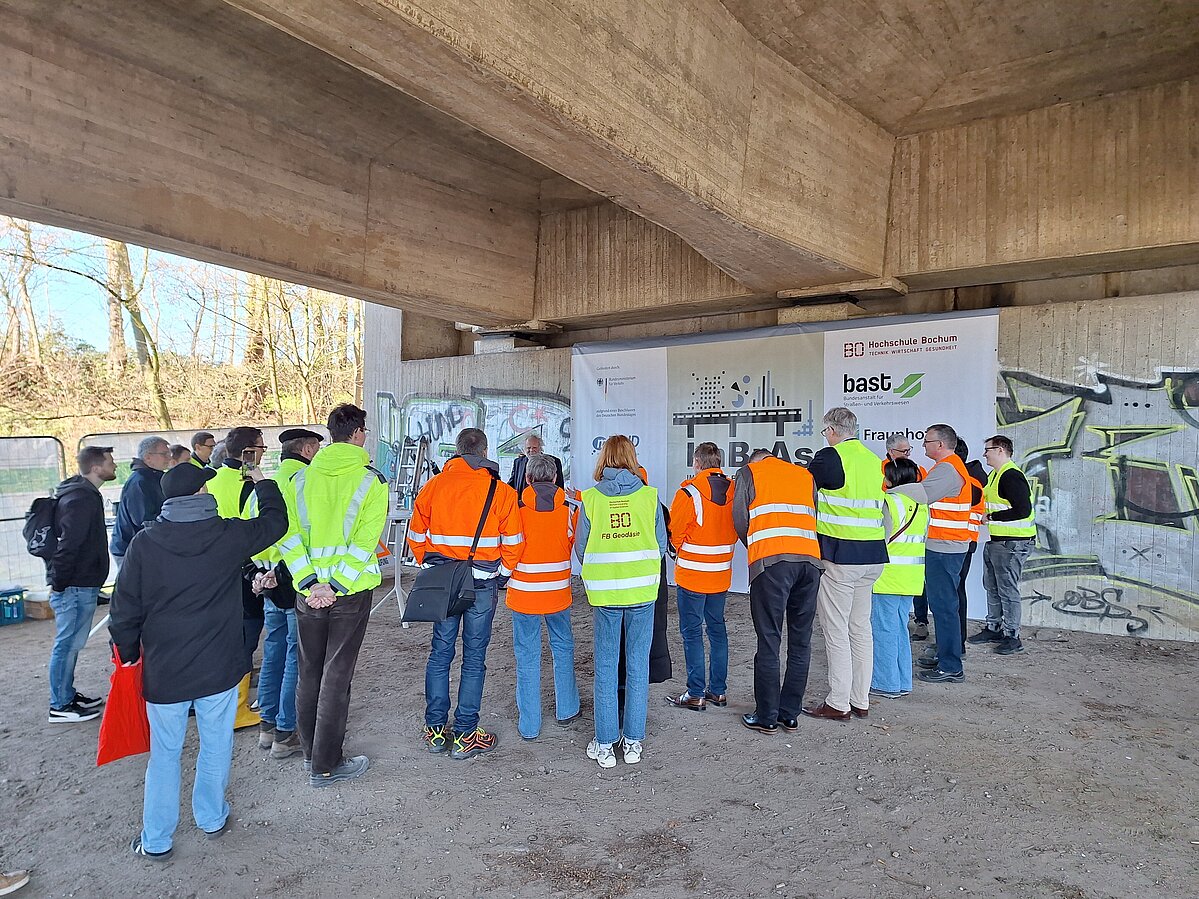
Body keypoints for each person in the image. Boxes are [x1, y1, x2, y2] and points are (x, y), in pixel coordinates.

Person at [109, 460, 287, 859]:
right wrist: (262, 483)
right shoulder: (226, 534)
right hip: (219, 667)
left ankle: (156, 839)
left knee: (165, 755)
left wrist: (131, 655)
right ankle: (211, 818)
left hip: (164, 670)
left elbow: (123, 613)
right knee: (216, 744)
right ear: (199, 495)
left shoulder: (144, 543)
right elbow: (276, 522)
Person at [282, 405, 388, 785]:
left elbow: (288, 536)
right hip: (348, 593)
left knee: (309, 671)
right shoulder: (371, 481)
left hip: (308, 593)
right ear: (358, 433)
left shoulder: (298, 481)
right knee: (336, 676)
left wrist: (311, 582)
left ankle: (311, 749)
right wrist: (337, 585)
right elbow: (365, 543)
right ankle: (326, 765)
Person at [409, 427, 522, 760]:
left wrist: (431, 565)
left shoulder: (434, 486)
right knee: (474, 658)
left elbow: (415, 535)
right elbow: (514, 543)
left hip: (443, 581)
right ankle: (465, 734)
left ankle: (435, 731)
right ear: (484, 452)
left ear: (457, 452)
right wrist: (500, 574)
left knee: (440, 652)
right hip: (482, 585)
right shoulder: (500, 492)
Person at [576, 435, 666, 767]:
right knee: (637, 666)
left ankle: (604, 743)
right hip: (642, 592)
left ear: (604, 459)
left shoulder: (590, 499)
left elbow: (582, 549)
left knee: (606, 666)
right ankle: (633, 743)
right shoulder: (649, 496)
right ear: (631, 457)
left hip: (606, 594)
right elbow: (659, 545)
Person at [732, 447, 822, 735]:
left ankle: (767, 716)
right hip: (809, 561)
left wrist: (758, 549)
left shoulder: (749, 473)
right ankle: (790, 714)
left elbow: (739, 519)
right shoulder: (805, 475)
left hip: (771, 562)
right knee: (801, 641)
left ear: (754, 461)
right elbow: (814, 515)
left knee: (769, 639)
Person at [805, 407, 887, 722]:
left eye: (825, 430)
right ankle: (860, 699)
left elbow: (805, 486)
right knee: (860, 628)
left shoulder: (830, 457)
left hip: (840, 556)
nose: (824, 436)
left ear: (832, 430)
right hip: (872, 556)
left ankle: (838, 703)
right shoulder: (872, 460)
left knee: (836, 630)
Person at [888, 423, 982, 685]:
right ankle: (946, 655)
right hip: (946, 547)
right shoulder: (948, 467)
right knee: (944, 606)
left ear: (940, 445)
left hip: (945, 548)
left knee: (944, 607)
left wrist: (891, 491)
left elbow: (922, 495)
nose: (923, 446)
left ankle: (951, 665)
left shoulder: (948, 468)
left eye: (927, 442)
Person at [254, 428, 323, 760]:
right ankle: (287, 730)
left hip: (267, 580)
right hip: (296, 578)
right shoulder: (307, 482)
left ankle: (267, 724)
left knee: (274, 650)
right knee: (299, 655)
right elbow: (308, 534)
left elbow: (251, 531)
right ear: (308, 449)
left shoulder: (262, 486)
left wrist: (261, 572)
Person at [505, 453, 580, 740]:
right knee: (563, 649)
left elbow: (509, 549)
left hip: (524, 595)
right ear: (555, 478)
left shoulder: (515, 510)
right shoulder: (569, 510)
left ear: (527, 479)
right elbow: (575, 545)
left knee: (527, 656)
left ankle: (529, 724)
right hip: (558, 594)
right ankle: (567, 710)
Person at [45, 445, 117, 723]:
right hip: (75, 585)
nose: (114, 465)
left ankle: (66, 694)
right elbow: (69, 544)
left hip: (81, 583)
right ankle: (60, 704)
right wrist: (60, 583)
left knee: (71, 644)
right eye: (110, 461)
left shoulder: (82, 494)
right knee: (67, 644)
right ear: (96, 467)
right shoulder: (81, 498)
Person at [665, 442, 735, 712]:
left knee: (692, 633)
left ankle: (695, 693)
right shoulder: (734, 490)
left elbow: (676, 531)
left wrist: (679, 548)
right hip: (720, 574)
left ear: (697, 463)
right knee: (717, 630)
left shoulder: (689, 492)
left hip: (693, 574)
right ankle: (718, 691)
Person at [208, 426, 270, 729]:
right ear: (250, 451)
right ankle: (238, 709)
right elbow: (258, 529)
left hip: (214, 570)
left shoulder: (212, 479)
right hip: (244, 569)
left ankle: (220, 704)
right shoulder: (249, 485)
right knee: (246, 638)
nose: (262, 453)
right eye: (262, 447)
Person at [969, 435, 1036, 655]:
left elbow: (1022, 510)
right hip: (998, 541)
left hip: (1013, 543)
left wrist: (991, 517)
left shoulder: (1011, 476)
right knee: (993, 587)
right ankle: (994, 627)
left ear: (1000, 450)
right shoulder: (996, 475)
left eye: (987, 450)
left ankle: (1012, 636)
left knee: (1007, 590)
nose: (984, 454)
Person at [870, 458, 928, 699]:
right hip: (912, 577)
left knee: (883, 629)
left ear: (893, 478)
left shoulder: (890, 502)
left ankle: (886, 683)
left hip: (888, 576)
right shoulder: (923, 505)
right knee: (900, 628)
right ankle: (903, 680)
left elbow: (880, 538)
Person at [109, 435, 170, 566]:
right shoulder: (140, 482)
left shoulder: (154, 477)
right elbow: (143, 520)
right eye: (164, 454)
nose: (169, 457)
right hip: (130, 548)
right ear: (148, 457)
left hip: (143, 546)